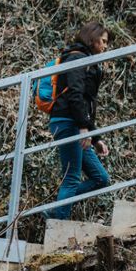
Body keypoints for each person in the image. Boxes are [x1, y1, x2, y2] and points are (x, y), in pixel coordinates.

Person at [46, 21, 112, 220]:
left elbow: (85, 103)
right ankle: (58, 225)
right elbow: (75, 95)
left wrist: (95, 137)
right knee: (72, 178)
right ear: (92, 39)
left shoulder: (86, 60)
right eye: (103, 41)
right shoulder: (76, 59)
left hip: (76, 123)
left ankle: (56, 211)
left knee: (101, 178)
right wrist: (84, 128)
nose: (105, 46)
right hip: (68, 123)